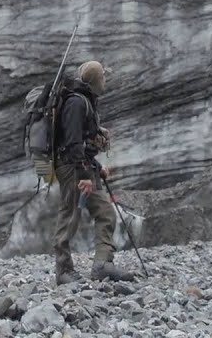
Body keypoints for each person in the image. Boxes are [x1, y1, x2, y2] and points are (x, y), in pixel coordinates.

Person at [52, 60, 135, 284]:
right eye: (104, 77)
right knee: (70, 215)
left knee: (106, 213)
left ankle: (102, 264)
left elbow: (84, 144)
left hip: (84, 166)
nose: (105, 81)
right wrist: (86, 176)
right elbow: (73, 143)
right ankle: (63, 271)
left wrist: (96, 169)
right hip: (71, 168)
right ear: (96, 80)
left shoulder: (87, 102)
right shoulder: (76, 104)